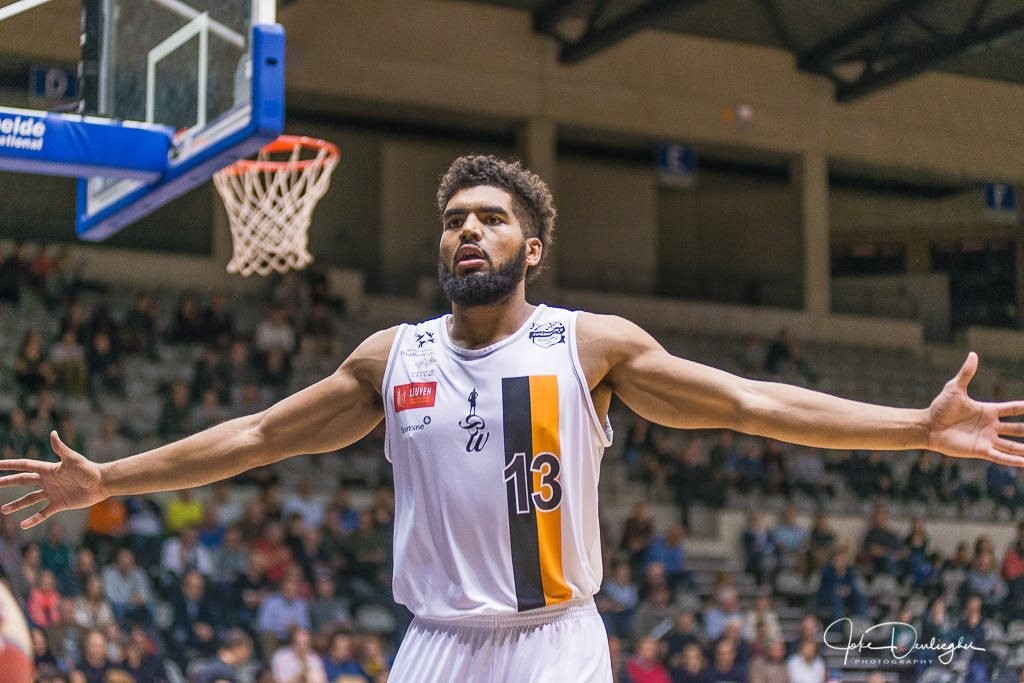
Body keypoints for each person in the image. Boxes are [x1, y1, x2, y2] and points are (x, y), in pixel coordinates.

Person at [2, 155, 1024, 682]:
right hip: (434, 640)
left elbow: (753, 403)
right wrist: (110, 478)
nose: (469, 230)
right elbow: (257, 437)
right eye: (454, 219)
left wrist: (913, 426)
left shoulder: (589, 346)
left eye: (491, 218)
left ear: (530, 248)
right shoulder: (391, 357)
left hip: (552, 638)